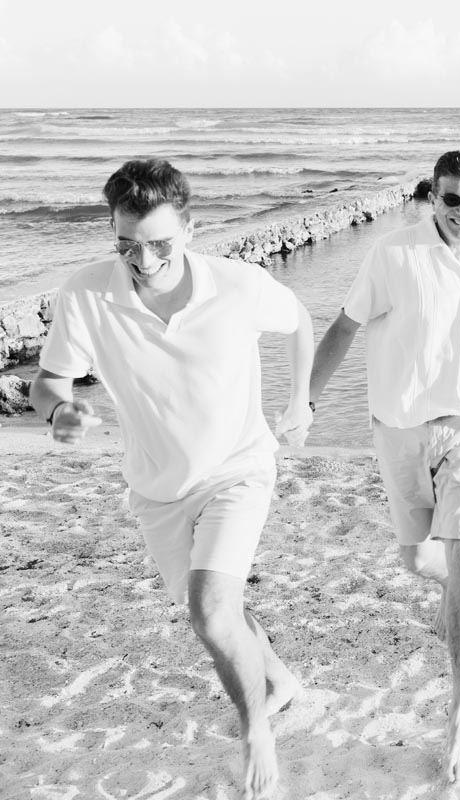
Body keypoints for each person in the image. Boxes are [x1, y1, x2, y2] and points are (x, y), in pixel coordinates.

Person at [30, 159, 314, 799]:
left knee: (210, 612)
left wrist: (302, 398)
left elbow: (298, 319)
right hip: (156, 487)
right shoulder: (87, 293)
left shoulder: (238, 285)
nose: (144, 260)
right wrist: (59, 411)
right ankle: (279, 680)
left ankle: (256, 732)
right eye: (127, 245)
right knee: (221, 609)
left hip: (238, 467)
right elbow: (49, 382)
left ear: (190, 228)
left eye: (160, 244)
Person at [308, 150, 460, 784]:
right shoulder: (393, 254)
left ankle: (459, 716)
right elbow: (345, 327)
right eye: (452, 198)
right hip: (401, 424)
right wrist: (306, 399)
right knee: (416, 560)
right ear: (431, 197)